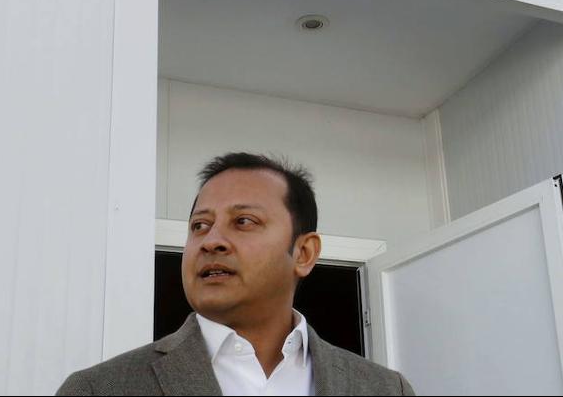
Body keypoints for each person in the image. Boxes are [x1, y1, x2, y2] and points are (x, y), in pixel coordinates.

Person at [57, 152, 415, 395]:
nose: (211, 241)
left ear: (304, 253)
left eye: (243, 221)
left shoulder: (385, 388)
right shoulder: (99, 389)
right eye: (200, 225)